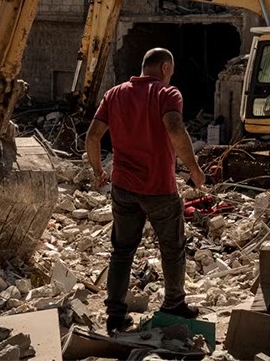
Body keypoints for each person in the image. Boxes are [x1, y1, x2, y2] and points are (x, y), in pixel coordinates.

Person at [85, 47, 207, 336]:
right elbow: (175, 130)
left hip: (123, 187)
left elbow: (92, 136)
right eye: (171, 71)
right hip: (159, 189)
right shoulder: (167, 94)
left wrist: (97, 171)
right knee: (172, 249)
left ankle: (115, 315)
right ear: (165, 67)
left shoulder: (114, 94)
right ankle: (174, 304)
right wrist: (194, 168)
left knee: (122, 251)